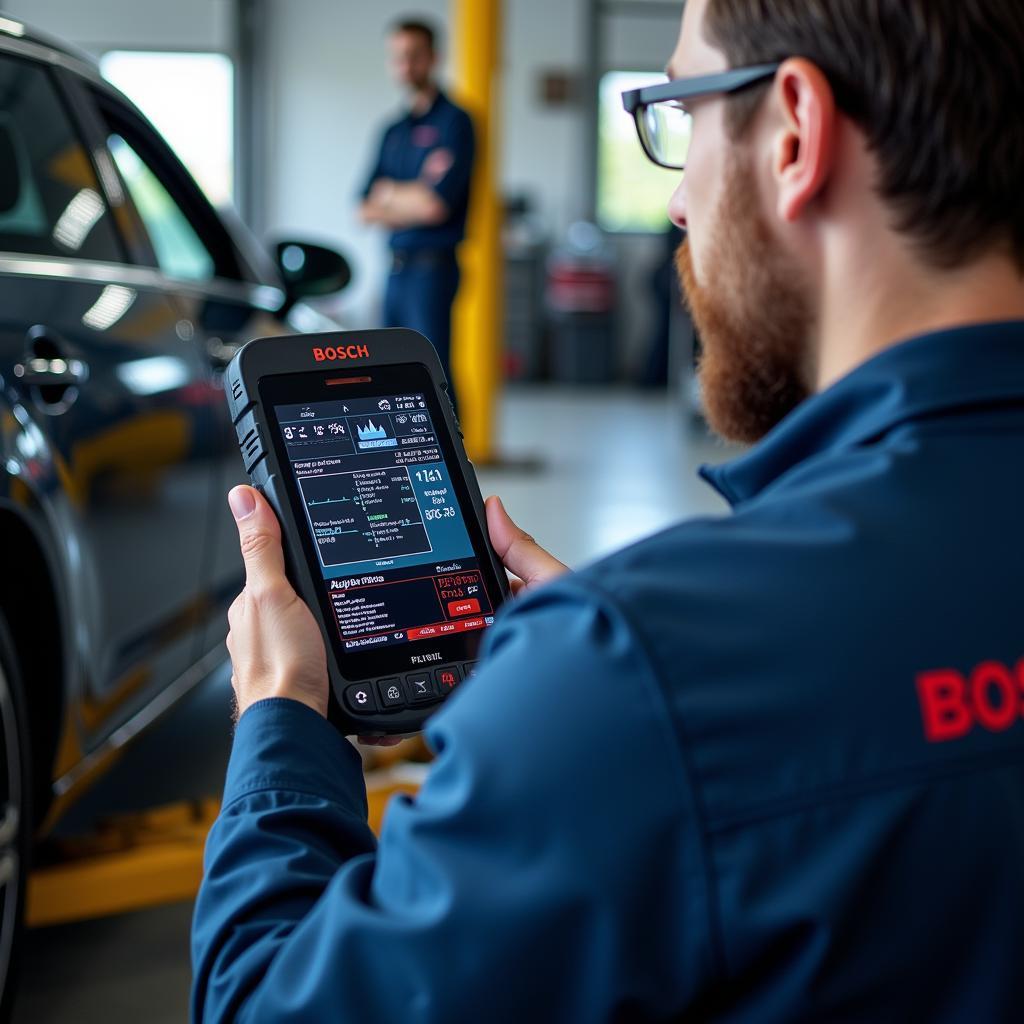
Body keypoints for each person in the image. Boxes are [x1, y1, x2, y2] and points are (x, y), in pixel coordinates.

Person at [192, 0, 1024, 1019]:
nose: (678, 205)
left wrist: (282, 710)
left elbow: (263, 1004)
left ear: (794, 133)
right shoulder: (635, 669)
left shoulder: (636, 670)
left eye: (678, 110)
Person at [359, 18, 474, 397]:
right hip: (393, 270)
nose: (405, 65)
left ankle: (455, 456)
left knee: (433, 372)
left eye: (414, 56)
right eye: (398, 57)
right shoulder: (392, 131)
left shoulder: (456, 123)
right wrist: (410, 193)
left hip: (433, 271)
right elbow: (363, 208)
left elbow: (435, 207)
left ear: (433, 58)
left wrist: (389, 194)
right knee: (392, 374)